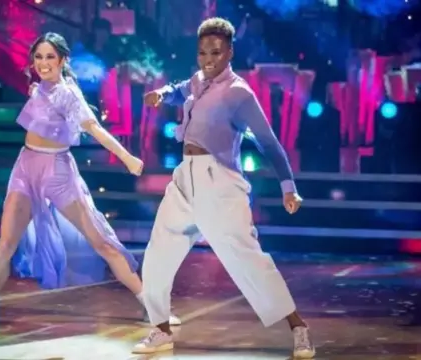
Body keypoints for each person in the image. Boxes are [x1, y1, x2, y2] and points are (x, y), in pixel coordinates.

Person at [131, 18, 315, 358]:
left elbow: (269, 143)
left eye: (216, 52)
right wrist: (162, 93)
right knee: (158, 253)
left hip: (219, 182)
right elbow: (181, 88)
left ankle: (298, 328)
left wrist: (288, 187)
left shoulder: (239, 93)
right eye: (202, 53)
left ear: (230, 51)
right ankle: (160, 330)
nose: (208, 59)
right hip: (185, 177)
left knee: (247, 260)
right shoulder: (199, 80)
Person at [0, 32, 181, 327]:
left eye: (50, 57)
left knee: (101, 241)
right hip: (25, 168)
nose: (43, 63)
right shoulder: (39, 88)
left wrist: (127, 158)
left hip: (58, 172)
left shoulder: (68, 94)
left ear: (62, 60)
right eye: (39, 57)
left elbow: (95, 129)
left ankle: (151, 305)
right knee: (6, 242)